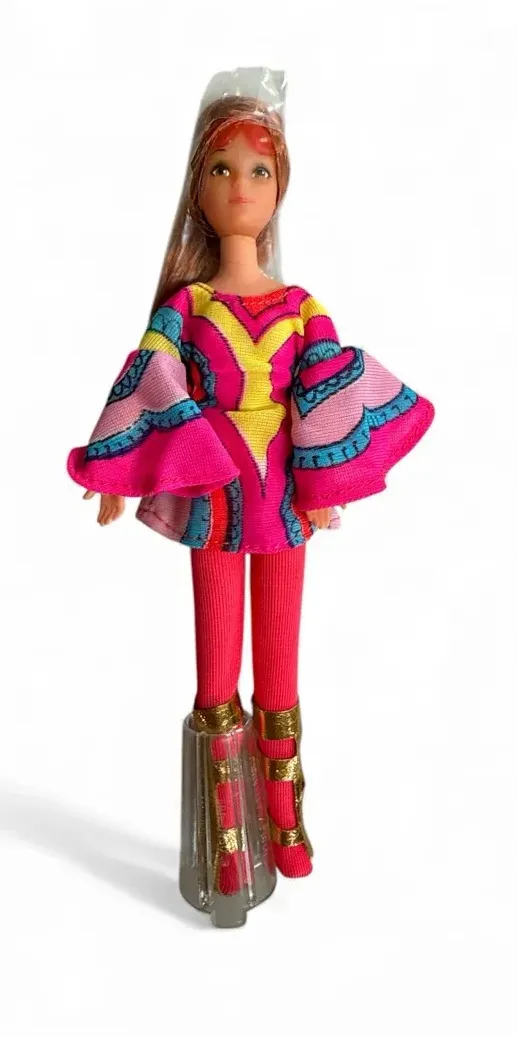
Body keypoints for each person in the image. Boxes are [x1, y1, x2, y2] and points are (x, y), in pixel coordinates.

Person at [67, 70, 435, 897]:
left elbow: (327, 389)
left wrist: (328, 484)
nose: (241, 185)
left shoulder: (302, 306)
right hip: (210, 498)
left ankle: (284, 811)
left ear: (281, 187)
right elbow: (151, 377)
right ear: (198, 188)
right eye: (222, 167)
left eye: (260, 169)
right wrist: (118, 468)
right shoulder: (188, 306)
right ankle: (226, 832)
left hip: (286, 501)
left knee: (280, 664)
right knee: (214, 672)